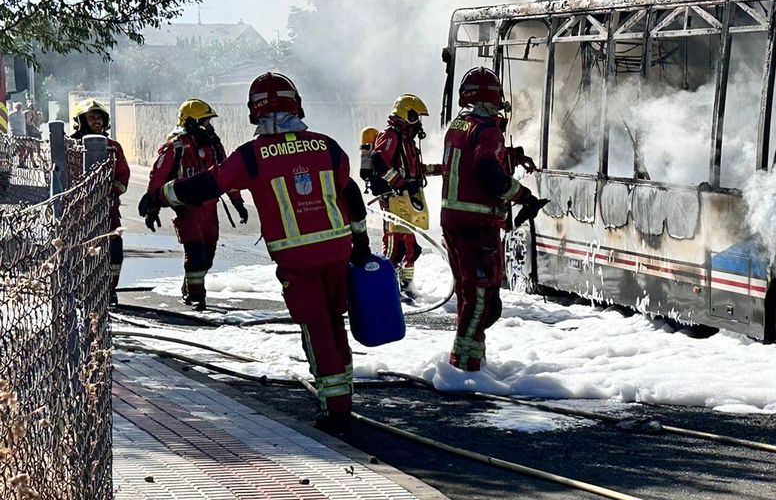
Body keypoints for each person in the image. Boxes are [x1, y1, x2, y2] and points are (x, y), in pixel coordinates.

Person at [161, 72, 371, 432]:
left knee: (316, 327)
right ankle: (343, 394)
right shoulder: (328, 146)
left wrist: (164, 195)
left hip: (296, 260)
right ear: (297, 104)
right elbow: (350, 193)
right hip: (338, 251)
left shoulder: (252, 156)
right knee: (335, 323)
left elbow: (209, 184)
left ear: (254, 112)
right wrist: (362, 245)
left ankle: (335, 407)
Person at [439, 67, 543, 371]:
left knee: (467, 293)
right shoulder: (487, 130)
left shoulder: (459, 125)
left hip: (454, 223)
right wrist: (523, 196)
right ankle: (464, 363)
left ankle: (473, 359)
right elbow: (487, 172)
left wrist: (509, 155)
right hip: (477, 226)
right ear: (491, 98)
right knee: (483, 298)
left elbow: (473, 163)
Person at [137, 99, 247, 309]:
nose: (209, 127)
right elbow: (157, 178)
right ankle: (196, 298)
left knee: (208, 256)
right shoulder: (175, 147)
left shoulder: (214, 146)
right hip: (187, 210)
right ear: (191, 122)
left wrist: (237, 202)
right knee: (196, 254)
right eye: (204, 122)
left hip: (210, 210)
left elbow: (226, 176)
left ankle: (190, 285)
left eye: (209, 122)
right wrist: (153, 206)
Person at [367, 93, 432, 300]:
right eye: (416, 117)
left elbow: (413, 168)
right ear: (408, 115)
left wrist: (442, 169)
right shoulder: (391, 135)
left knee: (411, 246)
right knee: (396, 245)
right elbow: (379, 161)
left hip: (406, 197)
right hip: (394, 198)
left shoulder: (406, 140)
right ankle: (387, 285)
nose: (418, 123)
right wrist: (400, 184)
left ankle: (407, 285)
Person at [72, 99, 132, 287]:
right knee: (80, 250)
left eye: (100, 118)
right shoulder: (71, 146)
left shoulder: (113, 146)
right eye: (92, 118)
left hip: (108, 209)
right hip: (77, 212)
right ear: (81, 121)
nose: (97, 121)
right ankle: (81, 286)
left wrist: (110, 192)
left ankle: (109, 289)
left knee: (114, 248)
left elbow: (123, 175)